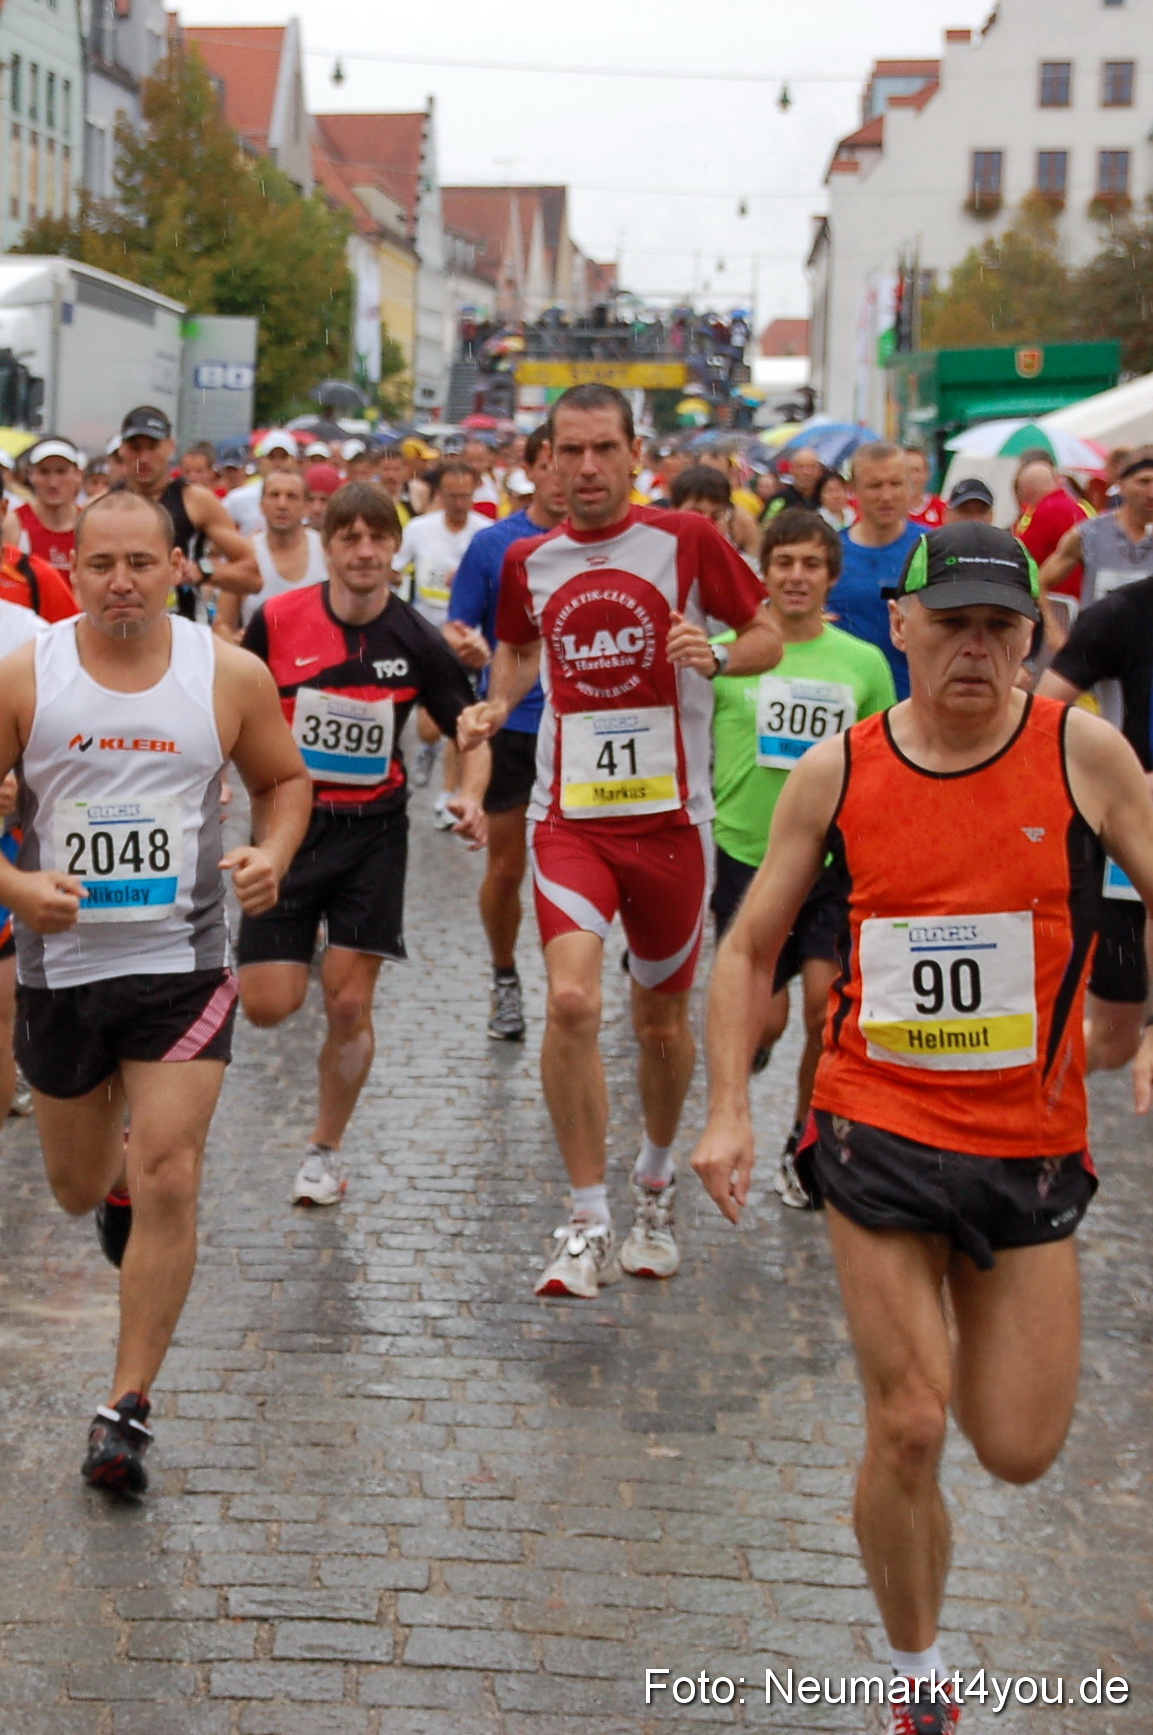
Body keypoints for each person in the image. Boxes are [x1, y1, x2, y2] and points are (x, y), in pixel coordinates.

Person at [691, 520, 1153, 1735]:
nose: (974, 650)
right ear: (899, 625)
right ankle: (917, 1676)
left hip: (1032, 1140)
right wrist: (730, 1110)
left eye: (1001, 629)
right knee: (907, 1421)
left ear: (1031, 640)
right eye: (950, 623)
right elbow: (745, 946)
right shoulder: (837, 770)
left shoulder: (1083, 755)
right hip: (874, 1126)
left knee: (1015, 1446)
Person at [0, 489, 311, 1495]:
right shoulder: (24, 675)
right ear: (73, 570)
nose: (122, 582)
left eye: (143, 562)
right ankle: (116, 1189)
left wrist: (272, 852)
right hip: (62, 973)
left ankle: (124, 1409)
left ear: (177, 565)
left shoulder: (226, 673)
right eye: (101, 565)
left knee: (174, 1168)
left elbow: (285, 779)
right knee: (79, 1185)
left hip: (182, 967)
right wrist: (16, 886)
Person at [458, 383, 781, 1298]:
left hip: (669, 822)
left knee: (658, 1023)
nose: (588, 467)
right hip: (573, 818)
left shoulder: (686, 541)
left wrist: (714, 655)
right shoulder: (528, 558)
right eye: (571, 450)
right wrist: (496, 699)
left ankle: (652, 1182)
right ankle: (587, 1214)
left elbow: (763, 634)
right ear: (546, 460)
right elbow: (520, 653)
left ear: (636, 454)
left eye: (605, 449)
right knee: (569, 1001)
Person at [235, 483, 489, 1209]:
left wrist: (468, 792)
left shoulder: (415, 638)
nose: (364, 551)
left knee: (348, 1003)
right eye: (348, 537)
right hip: (286, 829)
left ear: (394, 548)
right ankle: (298, 949)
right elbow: (233, 701)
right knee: (268, 1005)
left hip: (374, 832)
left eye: (377, 537)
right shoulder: (278, 619)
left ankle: (323, 1150)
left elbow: (467, 727)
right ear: (329, 544)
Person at [710, 509, 895, 1203]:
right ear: (763, 571)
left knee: (825, 1008)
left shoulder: (863, 664)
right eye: (782, 562)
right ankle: (750, 1048)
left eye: (810, 564)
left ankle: (803, 1138)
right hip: (744, 854)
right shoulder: (728, 651)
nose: (795, 576)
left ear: (831, 577)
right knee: (769, 1014)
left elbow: (881, 759)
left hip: (829, 862)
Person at [447, 427, 567, 1041]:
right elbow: (457, 622)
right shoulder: (495, 545)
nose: (564, 476)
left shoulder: (615, 542)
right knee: (507, 867)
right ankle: (504, 978)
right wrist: (466, 645)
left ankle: (581, 987)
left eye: (572, 461)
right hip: (514, 724)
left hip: (586, 727)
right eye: (551, 464)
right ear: (530, 470)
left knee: (589, 864)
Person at [1037, 561, 1153, 1073]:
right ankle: (1016, 1085)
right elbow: (1042, 714)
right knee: (1115, 1040)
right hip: (1132, 838)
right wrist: (1114, 775)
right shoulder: (1121, 614)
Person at [394, 461, 489, 828]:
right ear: (439, 495)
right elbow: (396, 568)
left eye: (466, 496)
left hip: (467, 640)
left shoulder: (485, 533)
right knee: (428, 728)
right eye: (452, 496)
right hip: (425, 635)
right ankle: (428, 750)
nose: (460, 503)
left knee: (461, 717)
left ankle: (448, 794)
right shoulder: (420, 530)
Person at [117, 406, 260, 615]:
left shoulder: (195, 500)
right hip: (121, 633)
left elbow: (253, 577)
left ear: (170, 446)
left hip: (184, 630)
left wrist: (203, 570)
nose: (144, 457)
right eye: (136, 448)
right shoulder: (103, 507)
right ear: (122, 450)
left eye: (153, 447)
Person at [827, 442, 922, 700]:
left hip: (912, 702)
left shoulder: (932, 549)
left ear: (910, 486)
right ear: (852, 490)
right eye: (875, 486)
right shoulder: (828, 553)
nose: (886, 496)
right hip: (845, 701)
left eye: (895, 484)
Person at [1037, 446, 1153, 611]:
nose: (1151, 493)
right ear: (1121, 484)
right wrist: (1053, 629)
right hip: (1100, 635)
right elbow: (1040, 584)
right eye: (1143, 482)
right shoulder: (1090, 533)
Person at [215, 469, 328, 635]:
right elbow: (222, 625)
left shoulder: (326, 550)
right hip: (260, 658)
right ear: (261, 505)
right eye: (274, 495)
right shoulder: (243, 555)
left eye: (292, 497)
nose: (282, 505)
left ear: (305, 507)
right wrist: (234, 641)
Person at [4, 436, 84, 575]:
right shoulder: (15, 523)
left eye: (61, 471)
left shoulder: (88, 523)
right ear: (31, 475)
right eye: (44, 472)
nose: (53, 483)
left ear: (78, 474)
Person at [1014, 458, 1088, 600]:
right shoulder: (1078, 507)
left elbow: (1025, 554)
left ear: (1027, 490)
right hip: (1080, 594)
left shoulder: (1045, 511)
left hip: (1057, 597)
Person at [223, 431, 301, 536]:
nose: (277, 463)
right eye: (271, 457)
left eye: (284, 457)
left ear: (295, 462)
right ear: (261, 461)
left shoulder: (305, 499)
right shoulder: (237, 499)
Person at [764, 446, 825, 518]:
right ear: (791, 470)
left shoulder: (825, 498)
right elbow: (766, 525)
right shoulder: (781, 499)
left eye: (811, 467)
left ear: (819, 470)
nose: (806, 472)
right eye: (800, 467)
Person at [904, 446, 946, 529]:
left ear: (927, 474)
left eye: (916, 470)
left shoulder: (941, 508)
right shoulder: (890, 510)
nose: (911, 476)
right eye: (906, 470)